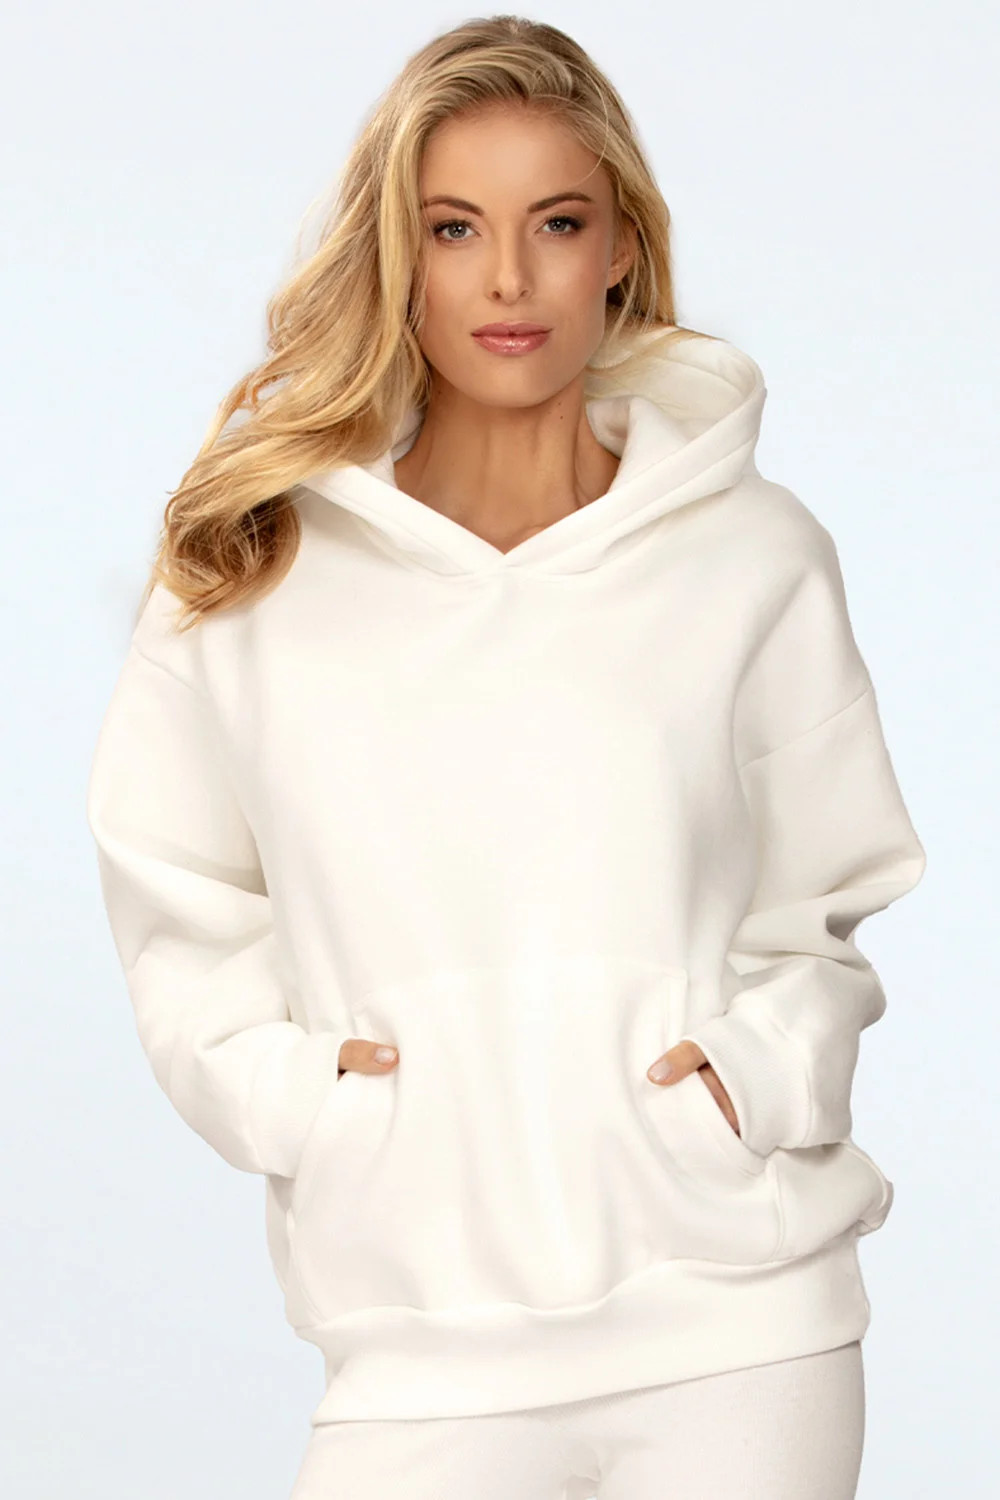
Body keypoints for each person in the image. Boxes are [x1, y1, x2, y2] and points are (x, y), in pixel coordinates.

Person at [85, 15, 926, 1499]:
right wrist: (309, 1108)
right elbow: (180, 904)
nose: (510, 279)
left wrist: (755, 1078)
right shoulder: (255, 574)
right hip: (418, 1342)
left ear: (620, 247)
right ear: (397, 256)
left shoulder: (753, 554)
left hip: (744, 1331)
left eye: (558, 222)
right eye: (454, 228)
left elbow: (827, 902)